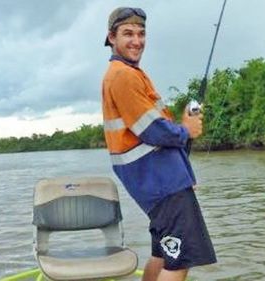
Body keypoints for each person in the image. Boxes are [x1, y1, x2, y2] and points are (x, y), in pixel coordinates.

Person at [101, 7, 217, 281]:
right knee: (179, 259)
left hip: (156, 182)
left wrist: (180, 127)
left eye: (141, 34)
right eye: (128, 33)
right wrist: (186, 130)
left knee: (163, 253)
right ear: (111, 37)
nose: (137, 40)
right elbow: (152, 130)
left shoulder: (128, 73)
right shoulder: (123, 75)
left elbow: (151, 126)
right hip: (161, 184)